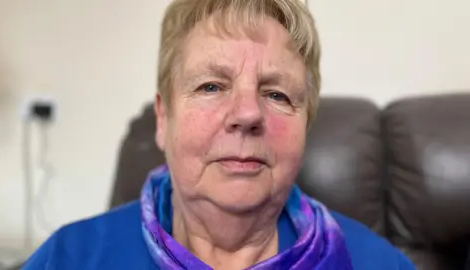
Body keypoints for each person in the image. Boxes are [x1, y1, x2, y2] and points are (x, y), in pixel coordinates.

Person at [24, 0, 416, 269]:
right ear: (163, 118)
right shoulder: (67, 258)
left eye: (276, 94)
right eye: (211, 86)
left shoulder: (379, 264)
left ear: (305, 125)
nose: (247, 113)